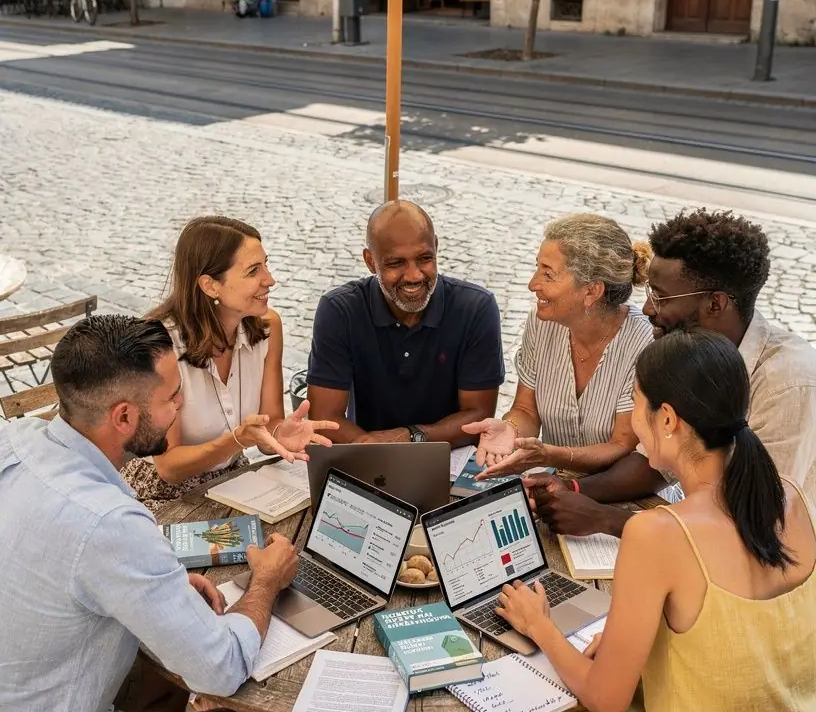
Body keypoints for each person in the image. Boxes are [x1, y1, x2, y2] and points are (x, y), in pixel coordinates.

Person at [496, 329, 816, 712]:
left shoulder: (658, 533)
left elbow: (605, 701)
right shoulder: (791, 498)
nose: (632, 421)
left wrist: (541, 626)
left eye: (635, 404)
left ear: (667, 420)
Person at [0, 316, 301, 712]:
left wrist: (157, 581)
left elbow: (63, 564)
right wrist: (264, 583)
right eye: (170, 397)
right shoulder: (108, 524)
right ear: (123, 417)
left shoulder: (16, 439)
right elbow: (219, 667)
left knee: (159, 669)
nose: (179, 407)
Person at [528, 208, 816, 538]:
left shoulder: (789, 383)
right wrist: (571, 489)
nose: (648, 309)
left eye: (661, 297)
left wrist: (609, 521)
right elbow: (651, 464)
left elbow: (760, 522)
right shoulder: (685, 354)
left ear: (715, 305)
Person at [125, 215, 336, 515]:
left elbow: (268, 427)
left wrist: (280, 434)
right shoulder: (160, 345)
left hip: (232, 482)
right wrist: (237, 440)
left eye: (266, 264)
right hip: (161, 496)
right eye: (253, 271)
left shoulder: (267, 327)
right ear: (210, 286)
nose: (270, 279)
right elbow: (169, 467)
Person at [465, 214, 653, 477]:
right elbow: (526, 409)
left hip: (618, 491)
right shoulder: (542, 323)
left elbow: (622, 446)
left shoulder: (643, 343)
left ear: (591, 291)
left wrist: (551, 455)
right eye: (537, 268)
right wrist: (510, 430)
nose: (533, 284)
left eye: (548, 274)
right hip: (557, 484)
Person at [306, 200, 505, 445]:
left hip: (448, 459)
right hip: (367, 458)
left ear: (437, 247)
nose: (414, 276)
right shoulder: (340, 310)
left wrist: (410, 437)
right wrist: (372, 448)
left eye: (424, 258)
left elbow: (479, 416)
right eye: (396, 263)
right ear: (370, 261)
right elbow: (324, 419)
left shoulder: (476, 308)